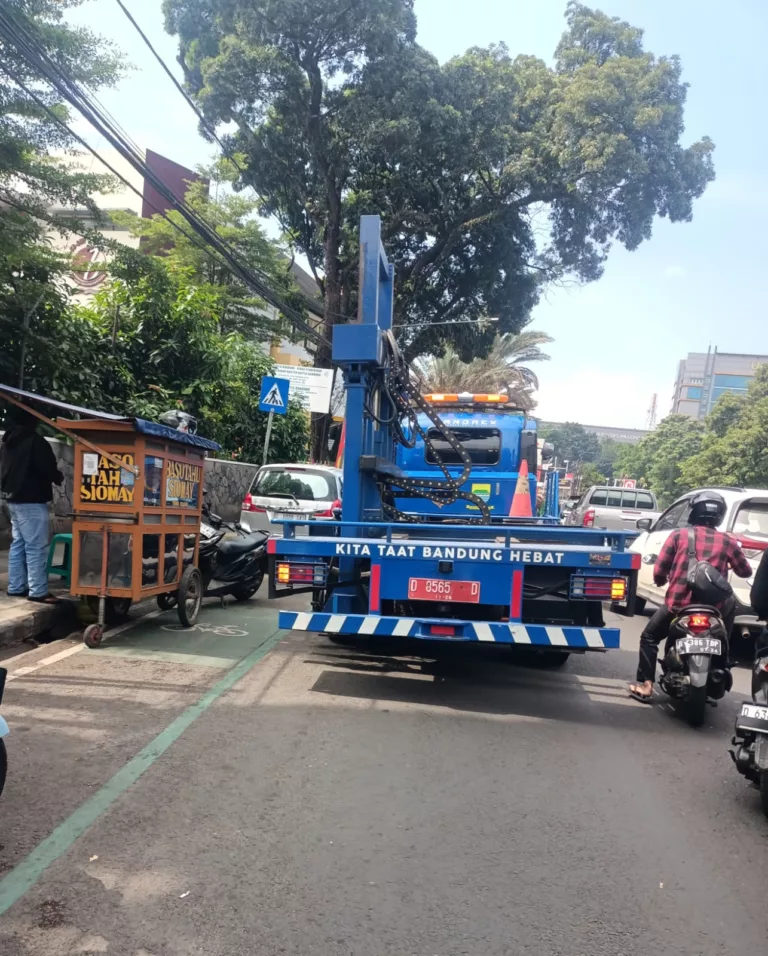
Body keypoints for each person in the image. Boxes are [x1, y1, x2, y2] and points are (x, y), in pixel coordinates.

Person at [628, 490, 752, 702]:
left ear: (694, 513)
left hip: (678, 605)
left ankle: (647, 685)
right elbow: (746, 572)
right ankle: (725, 654)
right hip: (715, 609)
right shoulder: (727, 541)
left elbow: (659, 570)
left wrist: (660, 580)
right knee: (730, 604)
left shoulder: (678, 536)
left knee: (649, 637)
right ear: (720, 516)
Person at [0, 406, 63, 604]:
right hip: (31, 500)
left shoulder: (8, 442)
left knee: (19, 544)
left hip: (13, 499)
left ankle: (16, 587)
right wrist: (57, 476)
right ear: (31, 421)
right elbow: (47, 468)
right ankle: (38, 591)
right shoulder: (35, 442)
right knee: (36, 546)